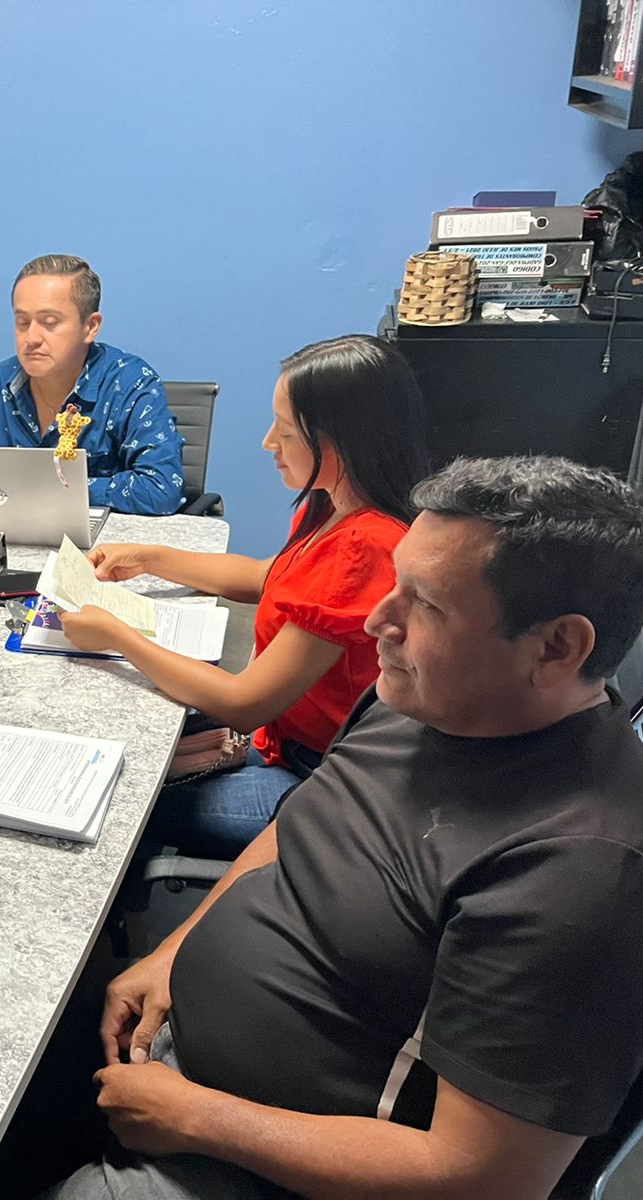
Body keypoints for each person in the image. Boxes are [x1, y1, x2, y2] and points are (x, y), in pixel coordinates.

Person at [45, 456, 643, 1200]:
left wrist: (197, 1119)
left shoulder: (586, 876)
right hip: (185, 1060)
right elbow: (299, 828)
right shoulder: (420, 698)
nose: (377, 622)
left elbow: (484, 1177)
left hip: (272, 1162)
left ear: (557, 648)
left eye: (425, 606)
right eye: (396, 583)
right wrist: (172, 954)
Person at [60, 335, 429, 857]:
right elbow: (265, 577)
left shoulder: (363, 548)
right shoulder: (332, 504)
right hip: (282, 736)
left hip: (316, 775)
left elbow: (245, 704)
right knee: (123, 736)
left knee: (121, 804)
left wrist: (116, 635)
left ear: (341, 442)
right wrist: (151, 557)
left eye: (285, 431)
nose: (267, 443)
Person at [0, 255, 184, 515]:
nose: (32, 338)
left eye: (50, 323)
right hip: (17, 532)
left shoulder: (132, 383)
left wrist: (54, 488)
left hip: (106, 536)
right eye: (22, 322)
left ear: (90, 327)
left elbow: (160, 489)